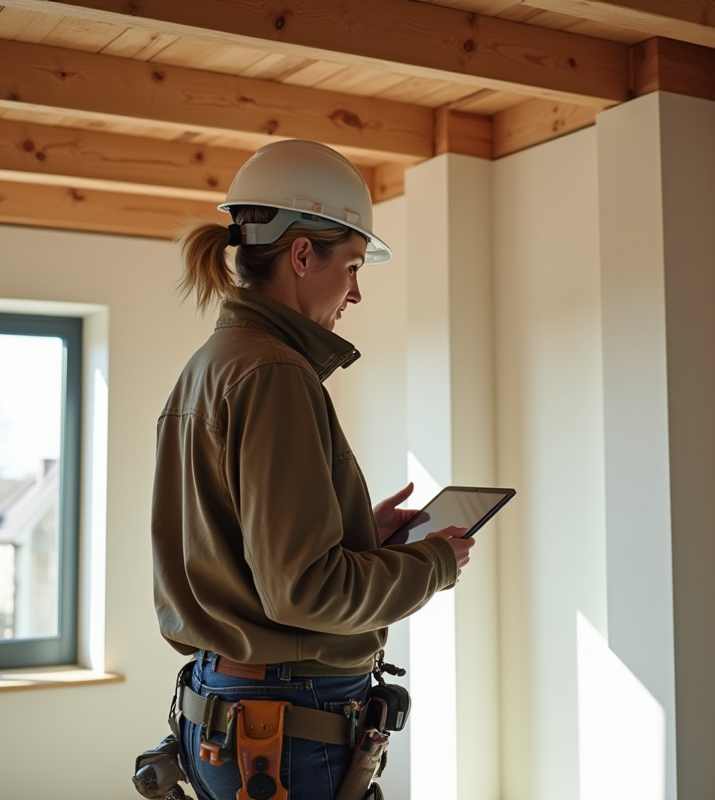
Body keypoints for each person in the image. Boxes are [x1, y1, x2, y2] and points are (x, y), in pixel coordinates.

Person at [151, 139, 476, 800]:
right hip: (285, 720)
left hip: (231, 706)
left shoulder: (214, 365)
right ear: (302, 254)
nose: (355, 293)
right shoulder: (275, 374)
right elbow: (303, 590)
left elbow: (243, 554)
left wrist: (358, 531)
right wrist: (431, 565)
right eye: (352, 266)